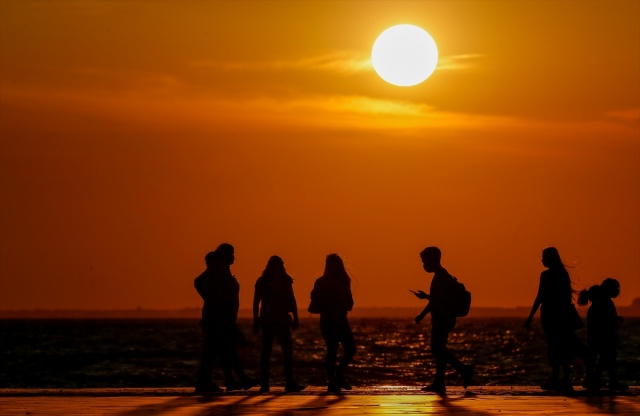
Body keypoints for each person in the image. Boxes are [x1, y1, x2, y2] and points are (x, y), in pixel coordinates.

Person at [524, 246, 590, 392]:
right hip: (558, 315)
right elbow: (564, 298)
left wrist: (530, 317)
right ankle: (563, 378)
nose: (542, 260)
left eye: (544, 257)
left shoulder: (547, 275)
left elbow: (539, 297)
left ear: (550, 259)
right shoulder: (562, 274)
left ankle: (558, 378)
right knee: (561, 346)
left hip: (551, 315)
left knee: (555, 346)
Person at [194, 243, 257, 393]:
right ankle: (208, 383)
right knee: (216, 352)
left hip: (224, 317)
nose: (233, 257)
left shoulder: (223, 271)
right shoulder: (216, 270)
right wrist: (210, 300)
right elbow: (199, 282)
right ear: (225, 255)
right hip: (218, 318)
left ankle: (233, 380)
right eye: (231, 253)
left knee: (223, 351)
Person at [414, 246, 473, 396]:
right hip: (442, 318)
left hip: (443, 319)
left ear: (434, 260)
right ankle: (439, 383)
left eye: (425, 261)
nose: (424, 265)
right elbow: (435, 299)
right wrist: (425, 301)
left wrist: (422, 313)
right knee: (439, 350)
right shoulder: (441, 276)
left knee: (437, 349)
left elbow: (436, 301)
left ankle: (463, 370)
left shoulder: (441, 277)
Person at [253, 255, 306, 393]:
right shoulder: (263, 282)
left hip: (281, 319)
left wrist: (296, 317)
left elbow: (292, 299)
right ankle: (266, 384)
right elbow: (256, 302)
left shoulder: (285, 281)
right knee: (267, 352)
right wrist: (256, 321)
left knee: (286, 352)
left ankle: (288, 383)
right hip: (268, 320)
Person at [309, 253, 356, 394]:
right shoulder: (322, 282)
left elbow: (349, 301)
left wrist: (346, 302)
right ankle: (332, 381)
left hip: (341, 318)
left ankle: (338, 376)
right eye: (330, 264)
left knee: (350, 348)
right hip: (329, 319)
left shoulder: (344, 281)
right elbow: (314, 298)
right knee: (332, 350)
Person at [577, 278, 628, 391]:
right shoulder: (606, 303)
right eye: (616, 288)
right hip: (605, 337)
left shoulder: (597, 304)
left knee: (600, 359)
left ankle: (594, 380)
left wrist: (615, 319)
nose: (617, 291)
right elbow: (605, 320)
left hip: (595, 337)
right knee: (607, 359)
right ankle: (601, 380)